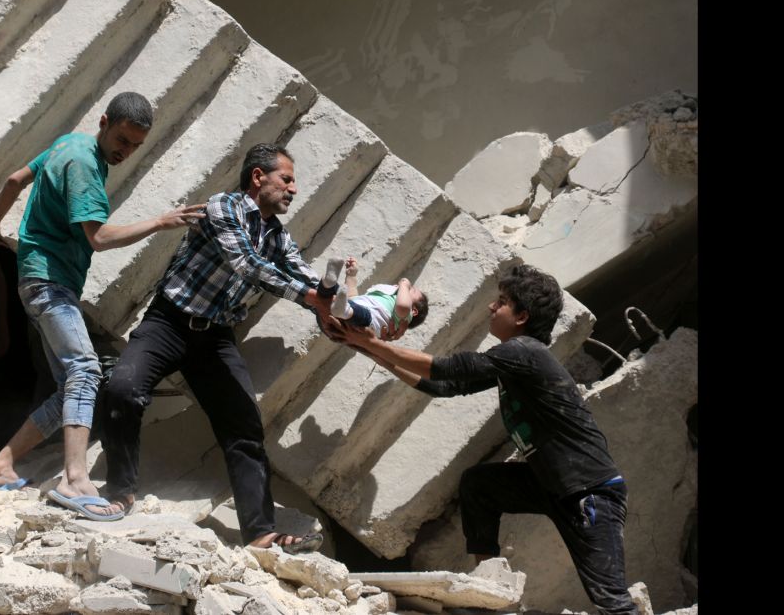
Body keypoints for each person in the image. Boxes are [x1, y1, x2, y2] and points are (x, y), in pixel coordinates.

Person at [341, 264, 637, 615]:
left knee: (612, 602)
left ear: (522, 316)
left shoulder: (524, 352)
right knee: (479, 487)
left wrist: (371, 342)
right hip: (551, 484)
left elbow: (449, 369)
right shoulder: (514, 361)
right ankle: (489, 590)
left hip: (591, 492)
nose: (491, 308)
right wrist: (373, 351)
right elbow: (444, 387)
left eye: (502, 302)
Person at [0, 92, 204, 521]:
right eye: (121, 139)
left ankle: (0, 466)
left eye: (135, 146)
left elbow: (13, 180)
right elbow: (98, 238)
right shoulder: (84, 167)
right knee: (85, 370)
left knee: (69, 386)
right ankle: (75, 478)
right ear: (104, 122)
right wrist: (159, 221)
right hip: (51, 283)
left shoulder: (69, 143)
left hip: (38, 279)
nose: (125, 151)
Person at [99, 143, 334, 553]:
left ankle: (261, 534)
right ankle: (120, 493)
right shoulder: (223, 207)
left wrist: (338, 309)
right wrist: (312, 298)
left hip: (215, 339)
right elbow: (247, 264)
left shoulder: (277, 235)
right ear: (258, 177)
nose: (293, 190)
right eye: (287, 179)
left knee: (244, 430)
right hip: (168, 322)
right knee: (122, 390)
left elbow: (304, 276)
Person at [315, 256, 428, 337]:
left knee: (363, 315)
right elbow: (352, 295)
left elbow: (403, 305)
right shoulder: (378, 298)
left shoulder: (404, 316)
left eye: (411, 290)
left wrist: (404, 284)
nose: (407, 288)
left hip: (360, 324)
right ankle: (329, 282)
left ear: (414, 311)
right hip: (340, 313)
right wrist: (351, 275)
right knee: (333, 294)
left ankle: (341, 306)